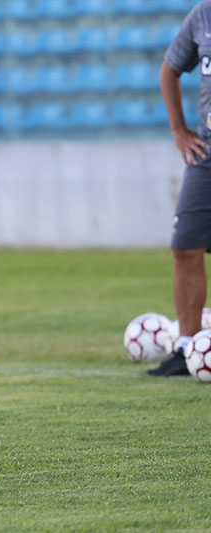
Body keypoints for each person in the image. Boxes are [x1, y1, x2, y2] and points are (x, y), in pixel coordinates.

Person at [148, 0, 211, 377]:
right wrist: (179, 130)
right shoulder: (203, 14)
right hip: (207, 151)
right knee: (185, 245)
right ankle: (187, 348)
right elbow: (169, 70)